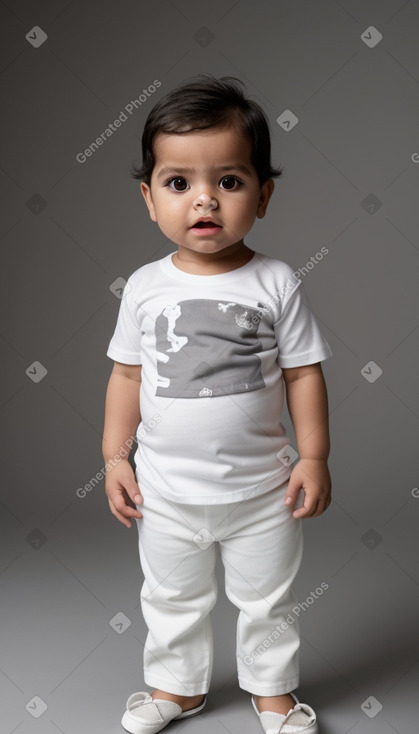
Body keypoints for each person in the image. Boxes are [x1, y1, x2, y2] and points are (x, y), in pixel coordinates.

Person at [103, 74, 332, 734]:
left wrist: (313, 455)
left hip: (262, 490)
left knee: (267, 600)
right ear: (149, 199)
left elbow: (302, 373)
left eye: (228, 182)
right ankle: (176, 689)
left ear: (262, 195)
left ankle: (272, 694)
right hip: (166, 491)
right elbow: (125, 376)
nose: (204, 199)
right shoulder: (145, 288)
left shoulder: (275, 281)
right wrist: (114, 458)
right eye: (178, 183)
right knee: (171, 596)